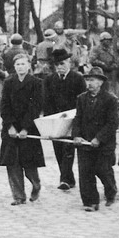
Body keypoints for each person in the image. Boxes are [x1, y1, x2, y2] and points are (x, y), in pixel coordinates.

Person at [0, 52, 45, 205]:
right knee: (12, 162)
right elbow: (4, 105)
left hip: (29, 127)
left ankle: (35, 184)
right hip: (10, 128)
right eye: (17, 64)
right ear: (14, 66)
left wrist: (26, 128)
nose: (20, 67)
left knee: (29, 161)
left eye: (23, 64)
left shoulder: (36, 83)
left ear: (29, 66)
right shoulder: (8, 82)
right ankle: (18, 196)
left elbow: (35, 107)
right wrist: (10, 126)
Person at [72, 67, 119, 211]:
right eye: (87, 80)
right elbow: (77, 119)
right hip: (85, 142)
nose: (89, 83)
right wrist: (76, 135)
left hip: (104, 143)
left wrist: (99, 138)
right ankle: (90, 202)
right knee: (85, 171)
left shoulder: (110, 99)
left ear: (100, 82)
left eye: (92, 80)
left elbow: (113, 123)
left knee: (103, 170)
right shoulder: (81, 99)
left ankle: (111, 191)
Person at [41, 50, 87, 191]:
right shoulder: (49, 80)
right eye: (57, 65)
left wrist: (77, 117)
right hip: (56, 120)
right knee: (58, 150)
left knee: (68, 149)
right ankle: (68, 177)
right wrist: (49, 119)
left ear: (69, 63)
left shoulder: (77, 79)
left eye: (62, 63)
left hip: (72, 119)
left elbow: (81, 99)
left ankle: (65, 179)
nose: (59, 67)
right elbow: (46, 101)